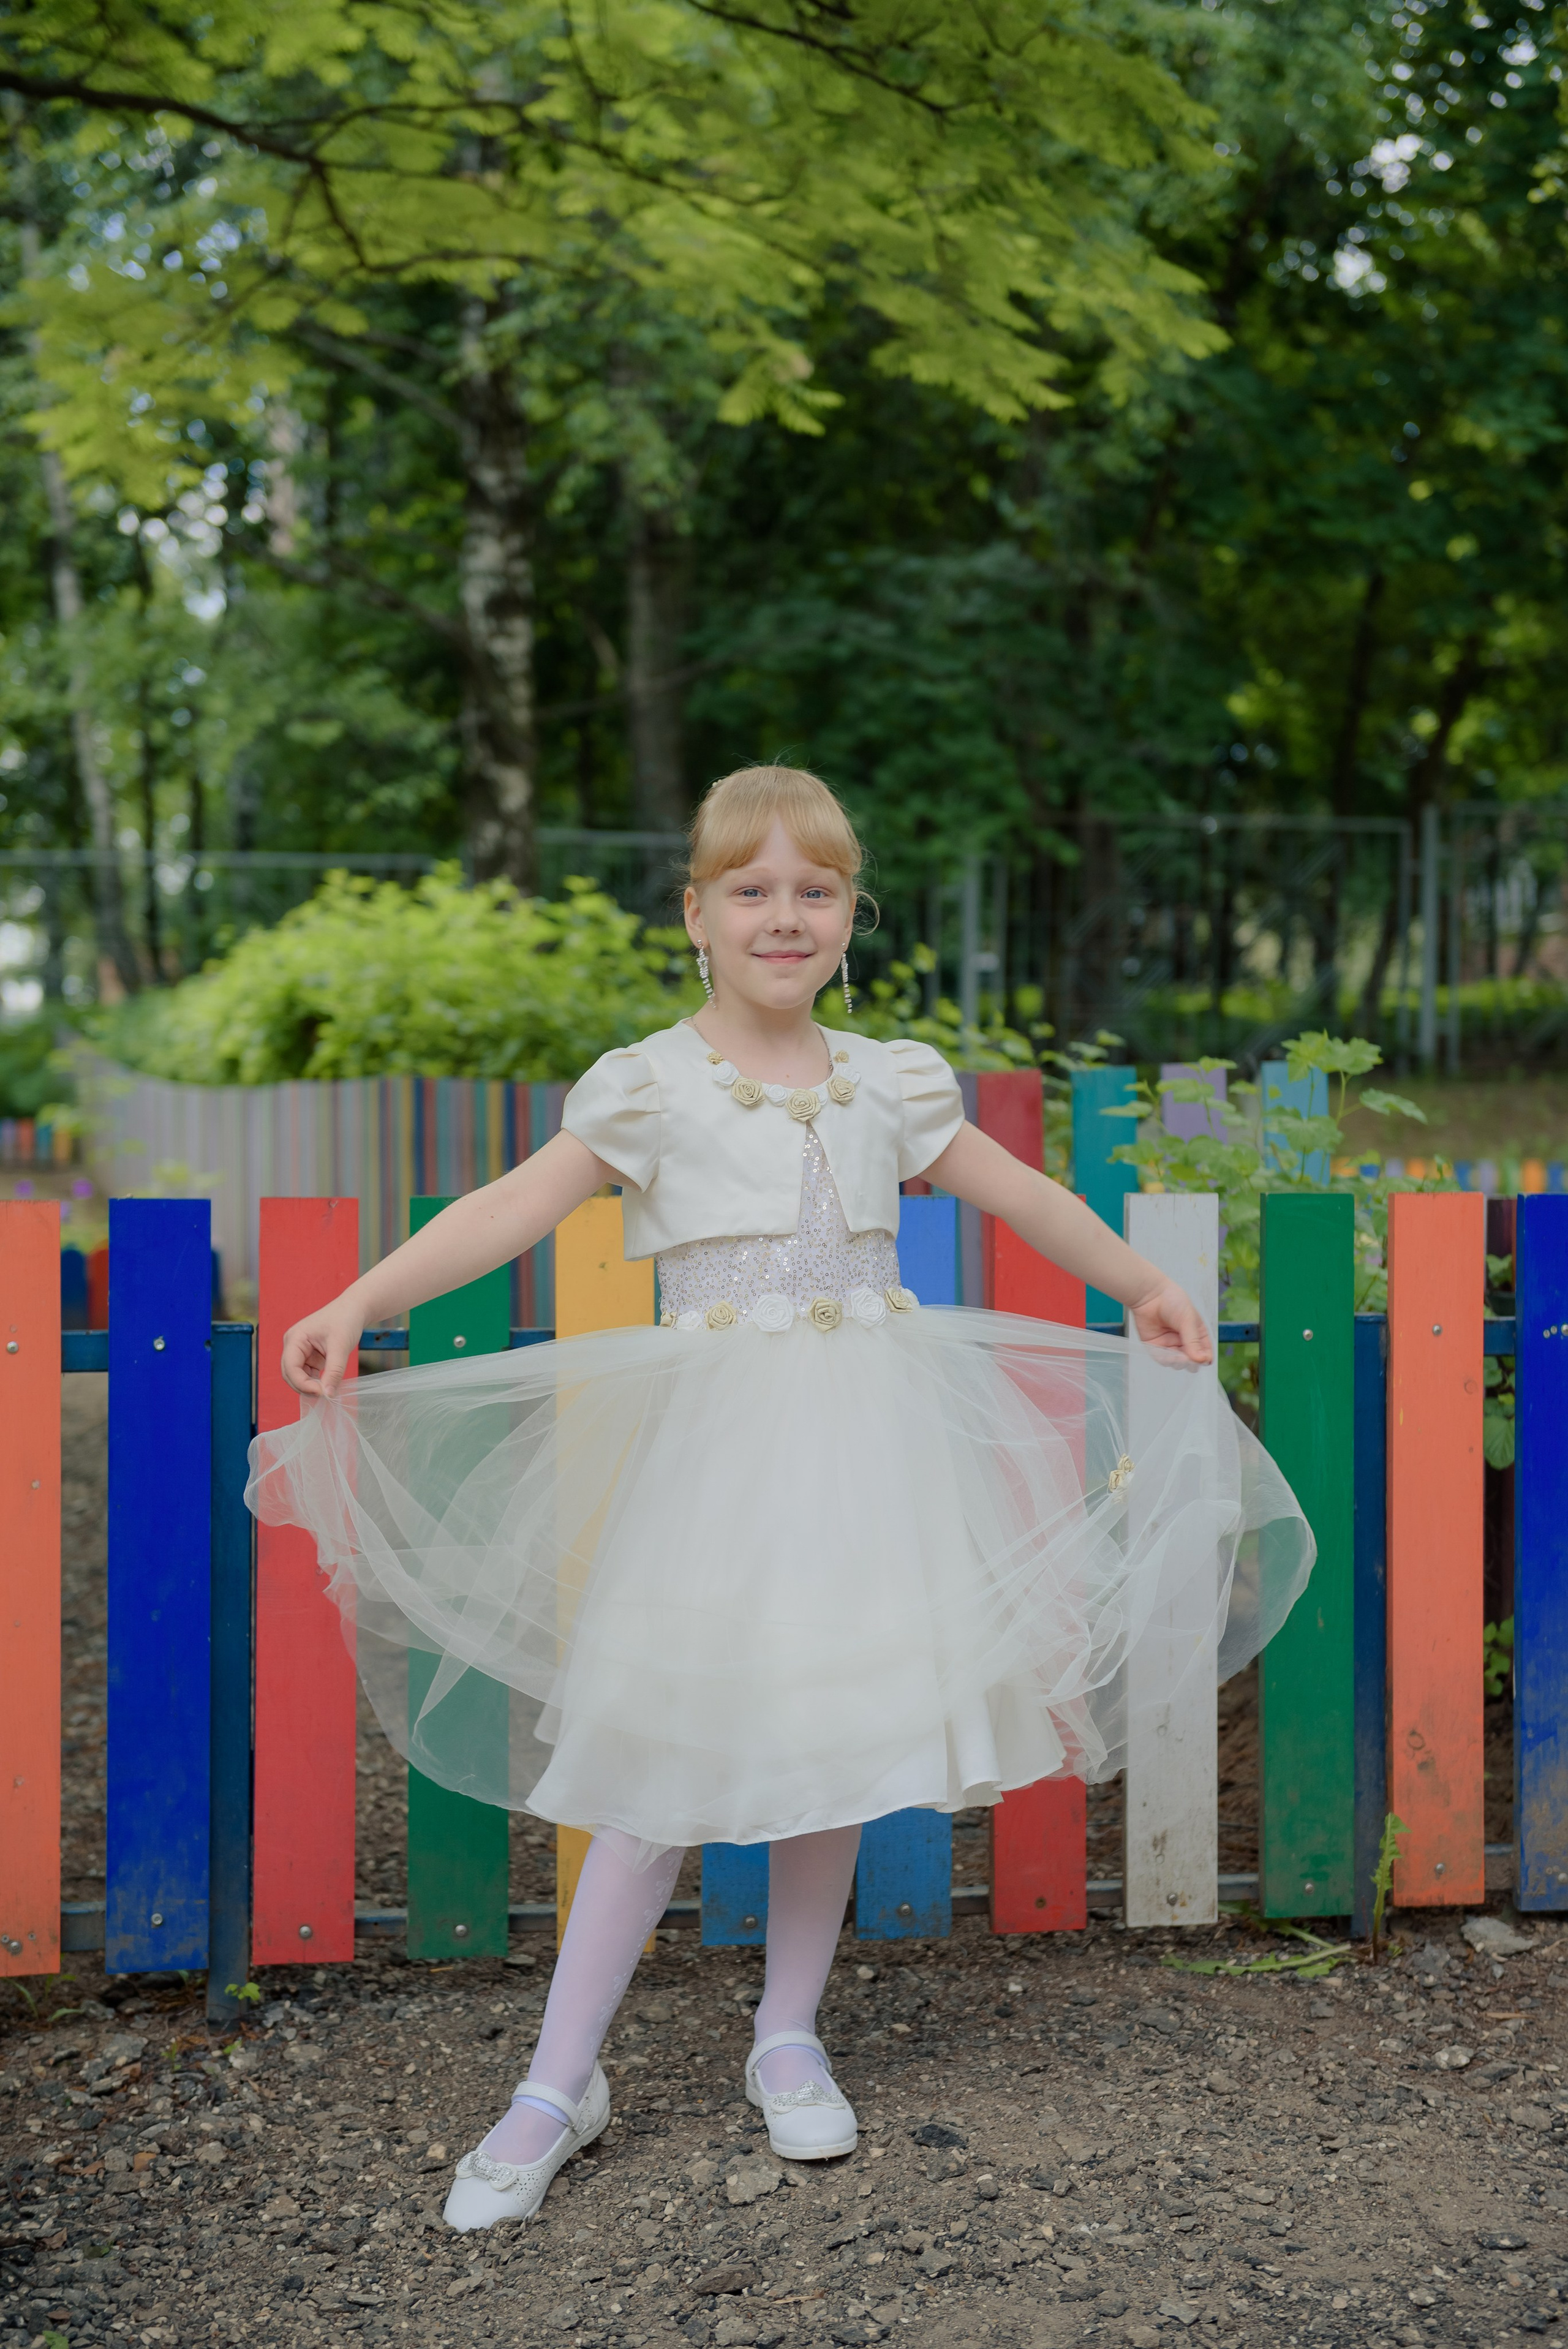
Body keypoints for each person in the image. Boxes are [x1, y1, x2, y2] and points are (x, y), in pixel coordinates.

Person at [247, 764, 1313, 2235]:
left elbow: (1017, 1191)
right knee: (653, 1757)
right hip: (720, 1468)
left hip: (873, 1455)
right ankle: (557, 2083)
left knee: (838, 1733)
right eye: (749, 889)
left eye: (814, 889)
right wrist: (360, 1297)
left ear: (850, 916)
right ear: (695, 914)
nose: (783, 915)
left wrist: (1138, 1280)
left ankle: (786, 2032)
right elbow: (508, 1208)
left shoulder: (891, 1081)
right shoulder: (647, 1084)